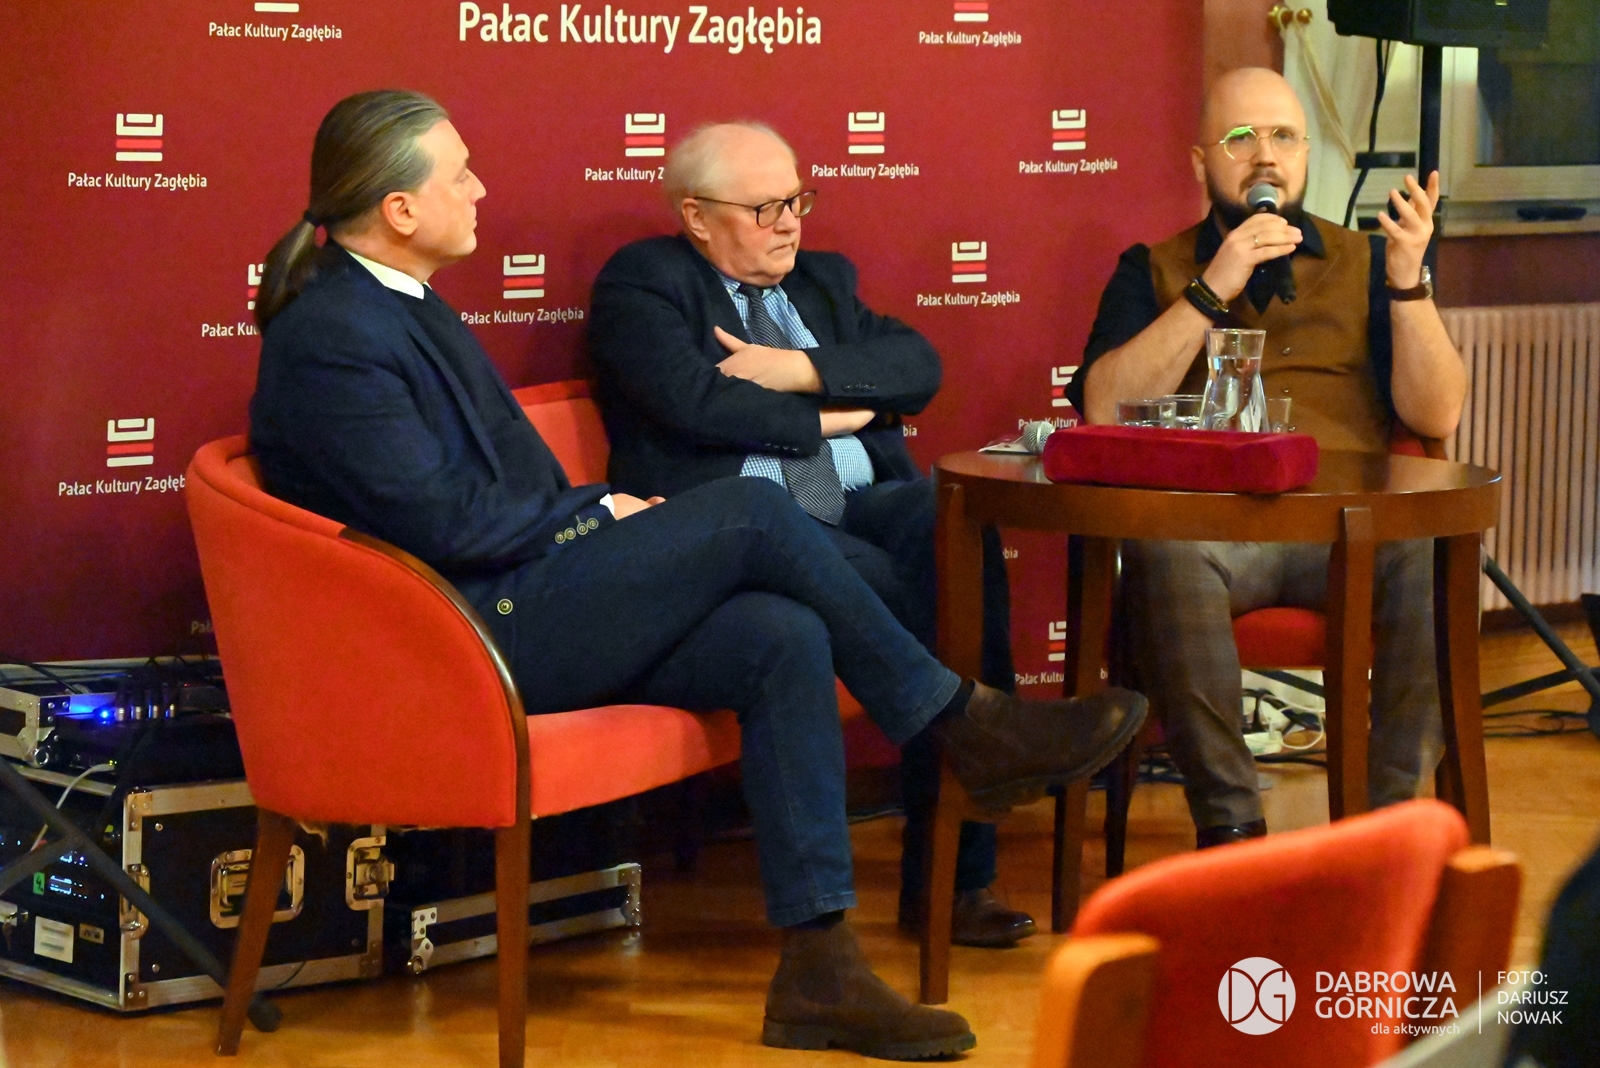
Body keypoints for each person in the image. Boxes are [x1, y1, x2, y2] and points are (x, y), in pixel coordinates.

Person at [248, 89, 1147, 1060]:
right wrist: (596, 514)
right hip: (465, 633)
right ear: (399, 209)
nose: (479, 189)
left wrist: (590, 518)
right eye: (458, 173)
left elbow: (484, 496)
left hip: (517, 593)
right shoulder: (335, 333)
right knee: (753, 510)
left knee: (779, 637)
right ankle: (961, 722)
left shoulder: (400, 304)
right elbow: (439, 520)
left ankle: (819, 969)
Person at [588, 122, 1029, 949]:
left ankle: (959, 873)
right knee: (913, 599)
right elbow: (696, 403)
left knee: (953, 533)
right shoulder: (646, 283)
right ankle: (987, 758)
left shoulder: (824, 282)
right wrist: (845, 412)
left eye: (797, 200)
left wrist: (798, 369)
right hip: (747, 528)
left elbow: (917, 366)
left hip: (862, 502)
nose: (789, 222)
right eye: (764, 208)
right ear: (696, 216)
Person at [1066, 68, 1466, 848]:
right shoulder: (1152, 266)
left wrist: (1408, 285)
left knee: (1426, 545)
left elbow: (1436, 415)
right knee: (1162, 550)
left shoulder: (1366, 260)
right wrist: (1211, 289)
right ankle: (1233, 829)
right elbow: (1104, 405)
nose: (1265, 156)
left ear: (1308, 153)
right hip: (1213, 535)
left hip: (1346, 532)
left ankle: (1390, 832)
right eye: (1241, 138)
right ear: (1200, 162)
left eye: (1284, 136)